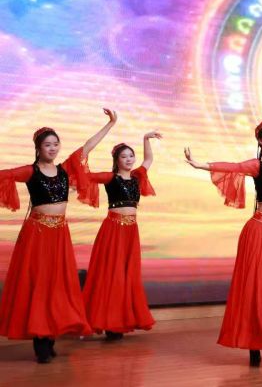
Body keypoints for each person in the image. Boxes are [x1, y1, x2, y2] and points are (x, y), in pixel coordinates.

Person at [184, 93, 262, 367]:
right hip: (258, 232)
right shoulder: (257, 165)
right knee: (259, 290)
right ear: (261, 141)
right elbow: (232, 167)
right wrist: (200, 164)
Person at [0, 109, 117, 363]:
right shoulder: (31, 172)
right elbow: (4, 175)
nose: (52, 148)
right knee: (40, 283)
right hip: (38, 235)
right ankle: (41, 340)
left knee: (57, 284)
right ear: (38, 148)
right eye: (47, 145)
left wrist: (111, 123)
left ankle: (50, 335)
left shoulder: (65, 170)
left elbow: (88, 147)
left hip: (60, 235)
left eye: (56, 144)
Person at [81, 131, 161, 339]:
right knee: (112, 273)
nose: (129, 159)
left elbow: (149, 159)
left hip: (131, 231)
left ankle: (121, 320)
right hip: (114, 230)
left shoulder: (137, 177)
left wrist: (146, 139)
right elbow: (86, 177)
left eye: (131, 156)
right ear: (116, 160)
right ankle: (109, 323)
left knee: (127, 274)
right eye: (124, 156)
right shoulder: (111, 178)